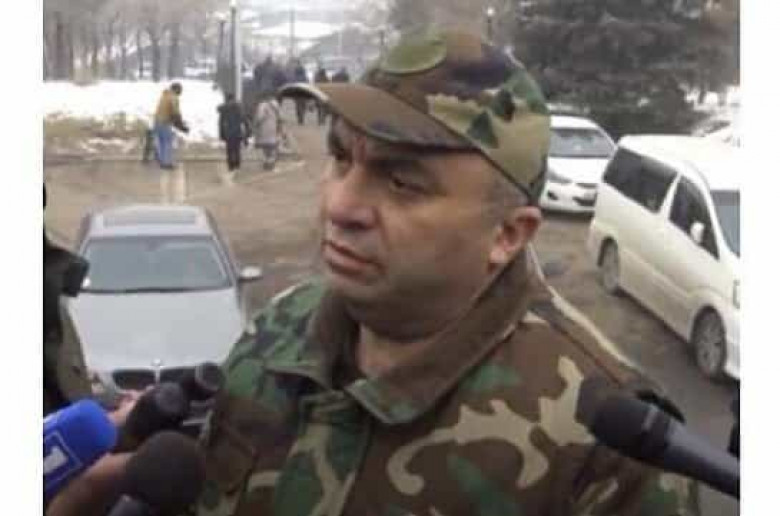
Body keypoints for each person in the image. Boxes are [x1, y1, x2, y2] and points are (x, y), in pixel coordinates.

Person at [59, 30, 699, 516]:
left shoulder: (610, 447)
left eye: (402, 182)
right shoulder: (279, 329)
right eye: (342, 158)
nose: (340, 205)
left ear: (507, 234)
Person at [152, 82, 189, 170]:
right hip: (164, 122)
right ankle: (167, 163)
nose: (181, 92)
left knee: (162, 142)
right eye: (180, 90)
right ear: (176, 89)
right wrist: (181, 125)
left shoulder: (165, 95)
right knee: (168, 142)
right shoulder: (173, 97)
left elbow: (168, 111)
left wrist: (178, 124)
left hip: (157, 121)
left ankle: (162, 161)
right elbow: (175, 113)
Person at [217, 92, 250, 174]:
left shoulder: (224, 109)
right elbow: (244, 119)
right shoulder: (238, 107)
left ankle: (231, 167)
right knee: (237, 150)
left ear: (226, 99)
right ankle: (237, 166)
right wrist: (247, 132)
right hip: (237, 132)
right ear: (233, 98)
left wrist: (221, 134)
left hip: (228, 133)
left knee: (229, 150)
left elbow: (220, 123)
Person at [253, 95, 282, 171]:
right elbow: (280, 118)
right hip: (274, 128)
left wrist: (256, 124)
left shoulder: (262, 106)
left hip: (264, 128)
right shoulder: (276, 106)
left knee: (266, 147)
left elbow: (259, 117)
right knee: (272, 147)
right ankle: (271, 163)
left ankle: (267, 163)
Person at [293, 60, 310, 125]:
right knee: (303, 105)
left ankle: (299, 117)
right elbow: (308, 84)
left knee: (298, 105)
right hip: (303, 92)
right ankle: (302, 117)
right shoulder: (305, 77)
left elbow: (293, 85)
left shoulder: (295, 77)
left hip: (297, 92)